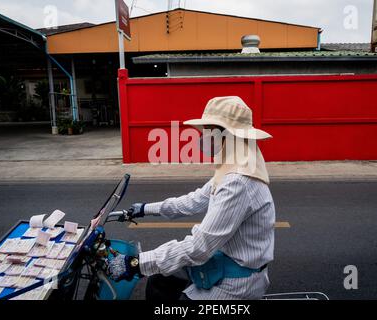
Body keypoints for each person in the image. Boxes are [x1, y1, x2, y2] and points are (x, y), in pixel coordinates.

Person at [107, 96, 276, 300]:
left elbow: (199, 247)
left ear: (229, 137)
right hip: (222, 262)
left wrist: (136, 263)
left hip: (236, 284)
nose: (203, 138)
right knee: (159, 280)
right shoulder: (234, 167)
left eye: (209, 132)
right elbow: (193, 201)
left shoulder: (238, 182)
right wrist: (146, 208)